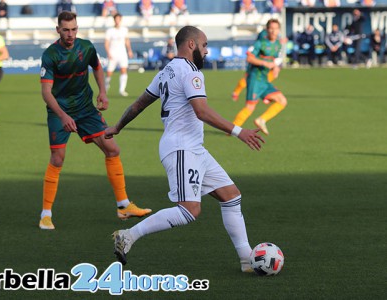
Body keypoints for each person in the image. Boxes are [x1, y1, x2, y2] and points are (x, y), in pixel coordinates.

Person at [106, 25, 264, 271]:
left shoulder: (166, 71)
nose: (207, 51)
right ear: (191, 45)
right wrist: (238, 131)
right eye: (204, 45)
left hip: (194, 149)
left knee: (231, 195)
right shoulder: (191, 72)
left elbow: (139, 104)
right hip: (181, 149)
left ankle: (247, 259)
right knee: (190, 210)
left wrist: (117, 126)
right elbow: (201, 111)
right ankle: (129, 235)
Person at [39, 11, 151, 230]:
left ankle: (123, 205)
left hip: (85, 109)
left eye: (73, 29)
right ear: (58, 30)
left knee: (112, 149)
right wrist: (63, 116)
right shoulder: (50, 55)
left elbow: (97, 67)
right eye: (66, 30)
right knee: (58, 158)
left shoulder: (86, 47)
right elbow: (46, 92)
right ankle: (45, 214)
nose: (70, 34)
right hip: (59, 111)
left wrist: (102, 92)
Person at [232, 19, 287, 135]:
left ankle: (261, 120)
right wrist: (265, 63)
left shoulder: (277, 44)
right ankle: (231, 130)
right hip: (255, 79)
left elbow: (274, 60)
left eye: (276, 28)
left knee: (282, 101)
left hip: (264, 80)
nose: (273, 31)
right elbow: (249, 58)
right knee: (249, 108)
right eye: (271, 28)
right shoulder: (260, 43)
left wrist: (276, 68)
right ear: (267, 30)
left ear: (279, 30)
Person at [231, 29, 282, 101]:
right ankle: (236, 92)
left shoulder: (274, 43)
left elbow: (275, 54)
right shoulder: (259, 43)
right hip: (255, 68)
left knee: (269, 77)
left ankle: (266, 91)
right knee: (246, 80)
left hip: (266, 68)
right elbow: (250, 55)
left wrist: (275, 65)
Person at [105, 13, 133, 97]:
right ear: (114, 20)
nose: (117, 21)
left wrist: (129, 51)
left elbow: (127, 41)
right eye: (116, 19)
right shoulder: (110, 31)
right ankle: (105, 87)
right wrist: (108, 53)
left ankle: (122, 90)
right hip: (113, 53)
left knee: (123, 70)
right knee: (109, 72)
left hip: (122, 53)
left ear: (120, 20)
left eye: (119, 19)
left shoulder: (124, 30)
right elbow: (106, 43)